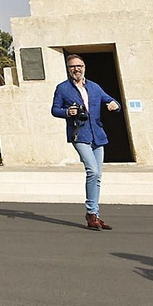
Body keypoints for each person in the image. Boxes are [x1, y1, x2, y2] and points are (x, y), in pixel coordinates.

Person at [50, 54, 120, 231]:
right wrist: (68, 112)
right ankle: (91, 213)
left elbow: (111, 100)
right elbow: (55, 109)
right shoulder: (62, 88)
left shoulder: (94, 87)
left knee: (97, 176)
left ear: (84, 67)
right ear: (68, 69)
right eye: (72, 67)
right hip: (79, 134)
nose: (76, 69)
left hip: (98, 135)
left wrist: (114, 105)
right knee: (92, 171)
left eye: (79, 66)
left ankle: (94, 214)